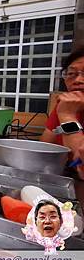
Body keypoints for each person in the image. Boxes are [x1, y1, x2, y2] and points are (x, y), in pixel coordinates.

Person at [40, 48, 84, 179]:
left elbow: (82, 168)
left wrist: (68, 116)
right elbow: (45, 148)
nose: (78, 80)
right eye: (71, 73)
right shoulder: (65, 105)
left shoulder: (66, 110)